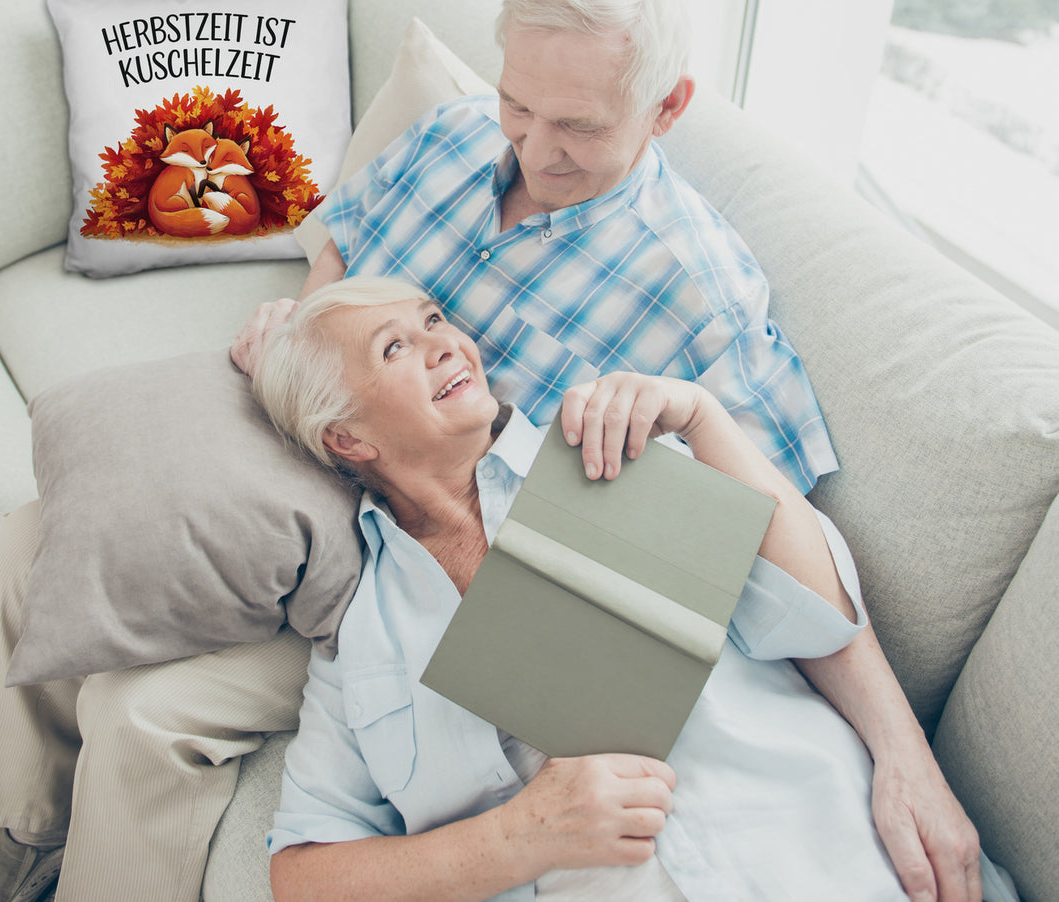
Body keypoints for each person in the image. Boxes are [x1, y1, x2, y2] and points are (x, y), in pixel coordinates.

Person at [234, 0, 982, 901]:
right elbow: (345, 240)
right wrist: (306, 351)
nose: (534, 150)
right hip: (338, 523)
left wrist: (903, 757)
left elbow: (788, 571)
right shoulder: (453, 138)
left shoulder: (674, 351)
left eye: (577, 126)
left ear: (667, 108)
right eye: (519, 106)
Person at [252, 277, 1008, 902]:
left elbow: (818, 618)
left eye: (434, 320)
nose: (446, 342)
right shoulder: (361, 639)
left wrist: (703, 419)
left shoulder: (608, 450)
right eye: (396, 347)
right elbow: (303, 875)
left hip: (830, 856)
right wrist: (519, 837)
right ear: (347, 438)